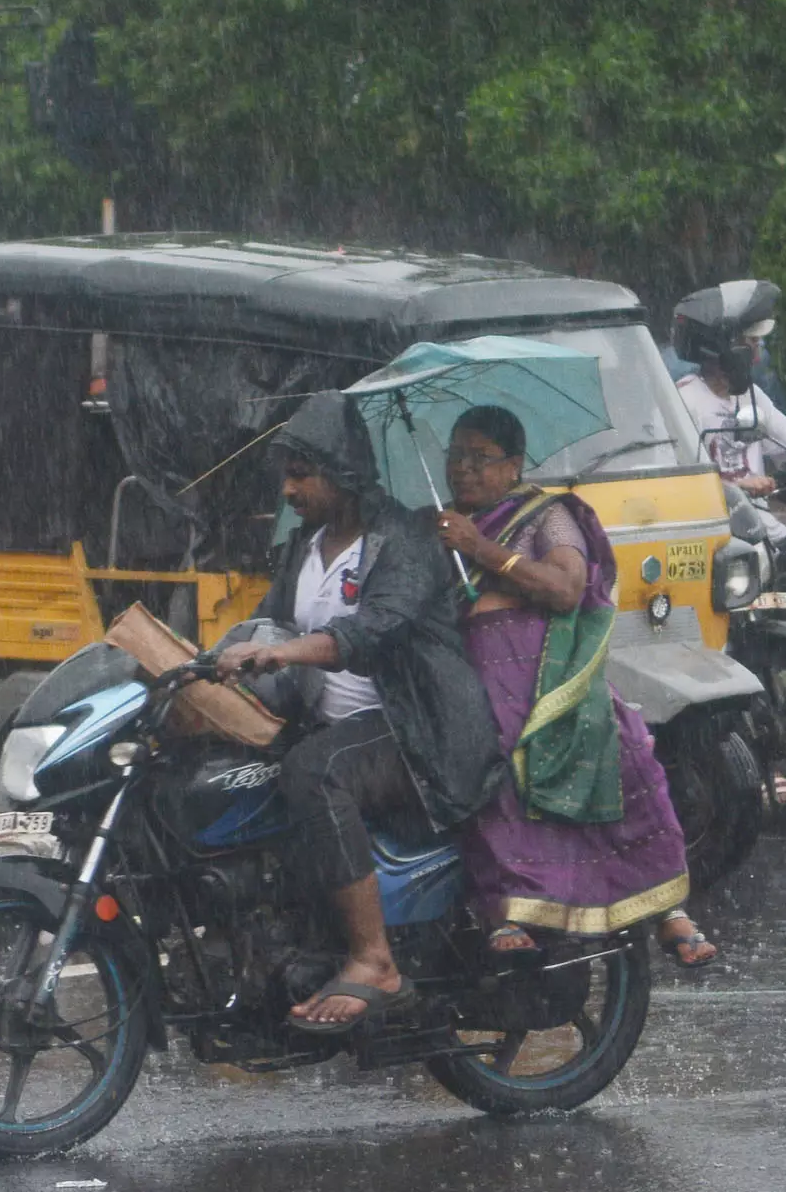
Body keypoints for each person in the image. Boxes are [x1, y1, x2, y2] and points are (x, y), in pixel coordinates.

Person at [213, 392, 504, 1032]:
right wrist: (209, 658)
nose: (288, 490)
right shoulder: (305, 545)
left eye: (301, 474)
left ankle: (374, 959)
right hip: (330, 722)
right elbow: (270, 623)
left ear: (341, 471)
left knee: (314, 772)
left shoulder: (403, 540)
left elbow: (372, 630)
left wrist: (284, 652)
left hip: (415, 728)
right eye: (285, 475)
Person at [431, 405, 714, 969]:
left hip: (550, 670)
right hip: (470, 674)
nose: (463, 469)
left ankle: (666, 908)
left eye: (479, 457)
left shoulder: (545, 515)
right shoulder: (436, 526)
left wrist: (479, 548)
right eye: (455, 456)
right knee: (489, 750)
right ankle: (512, 906)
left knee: (624, 746)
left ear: (514, 465)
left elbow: (565, 588)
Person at [671, 280, 786, 542]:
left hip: (764, 529)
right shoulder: (685, 400)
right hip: (722, 536)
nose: (759, 346)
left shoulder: (749, 395)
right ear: (724, 347)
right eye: (752, 340)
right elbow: (681, 481)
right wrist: (736, 487)